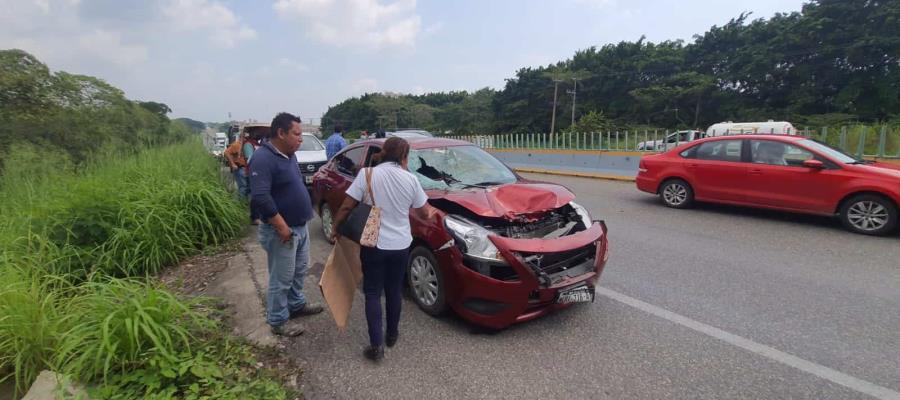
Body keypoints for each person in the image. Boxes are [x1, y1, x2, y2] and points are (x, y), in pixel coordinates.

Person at [330, 137, 432, 361]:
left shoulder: (367, 174)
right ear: (404, 157)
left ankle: (376, 346)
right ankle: (392, 334)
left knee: (373, 292)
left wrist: (336, 228)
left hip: (373, 243)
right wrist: (435, 213)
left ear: (384, 153)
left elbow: (347, 205)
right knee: (394, 290)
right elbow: (424, 213)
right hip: (401, 245)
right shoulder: (411, 179)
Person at [250, 112, 324, 337]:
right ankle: (278, 320)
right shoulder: (262, 158)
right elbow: (261, 196)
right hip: (282, 230)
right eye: (297, 134)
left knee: (299, 271)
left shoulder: (289, 154)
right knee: (281, 278)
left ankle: (296, 304)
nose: (301, 138)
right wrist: (281, 226)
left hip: (300, 226)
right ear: (281, 133)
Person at [243, 128, 263, 224]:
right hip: (253, 173)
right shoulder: (248, 144)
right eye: (257, 132)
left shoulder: (258, 144)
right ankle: (255, 217)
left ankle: (260, 215)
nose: (259, 134)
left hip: (261, 172)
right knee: (255, 195)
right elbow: (249, 159)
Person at [224, 133, 249, 199]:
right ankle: (241, 204)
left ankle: (244, 203)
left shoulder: (246, 145)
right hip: (240, 168)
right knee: (243, 187)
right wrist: (232, 164)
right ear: (242, 137)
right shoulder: (236, 144)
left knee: (246, 187)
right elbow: (226, 152)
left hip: (245, 169)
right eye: (246, 137)